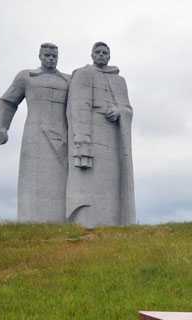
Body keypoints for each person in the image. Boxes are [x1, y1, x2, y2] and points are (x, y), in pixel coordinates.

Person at [0, 43, 69, 223]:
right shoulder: (27, 77)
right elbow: (8, 102)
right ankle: (31, 220)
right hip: (35, 135)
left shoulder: (68, 81)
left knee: (60, 180)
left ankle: (61, 221)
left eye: (54, 56)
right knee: (33, 178)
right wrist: (1, 127)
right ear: (40, 56)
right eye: (47, 55)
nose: (51, 58)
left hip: (61, 136)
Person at [65, 42, 135, 227]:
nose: (102, 55)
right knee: (88, 180)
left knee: (111, 180)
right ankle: (86, 222)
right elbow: (77, 107)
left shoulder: (119, 80)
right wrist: (82, 140)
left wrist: (120, 111)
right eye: (98, 52)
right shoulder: (83, 74)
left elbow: (127, 107)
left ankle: (111, 222)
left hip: (112, 134)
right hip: (91, 133)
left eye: (105, 52)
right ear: (92, 55)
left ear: (109, 56)